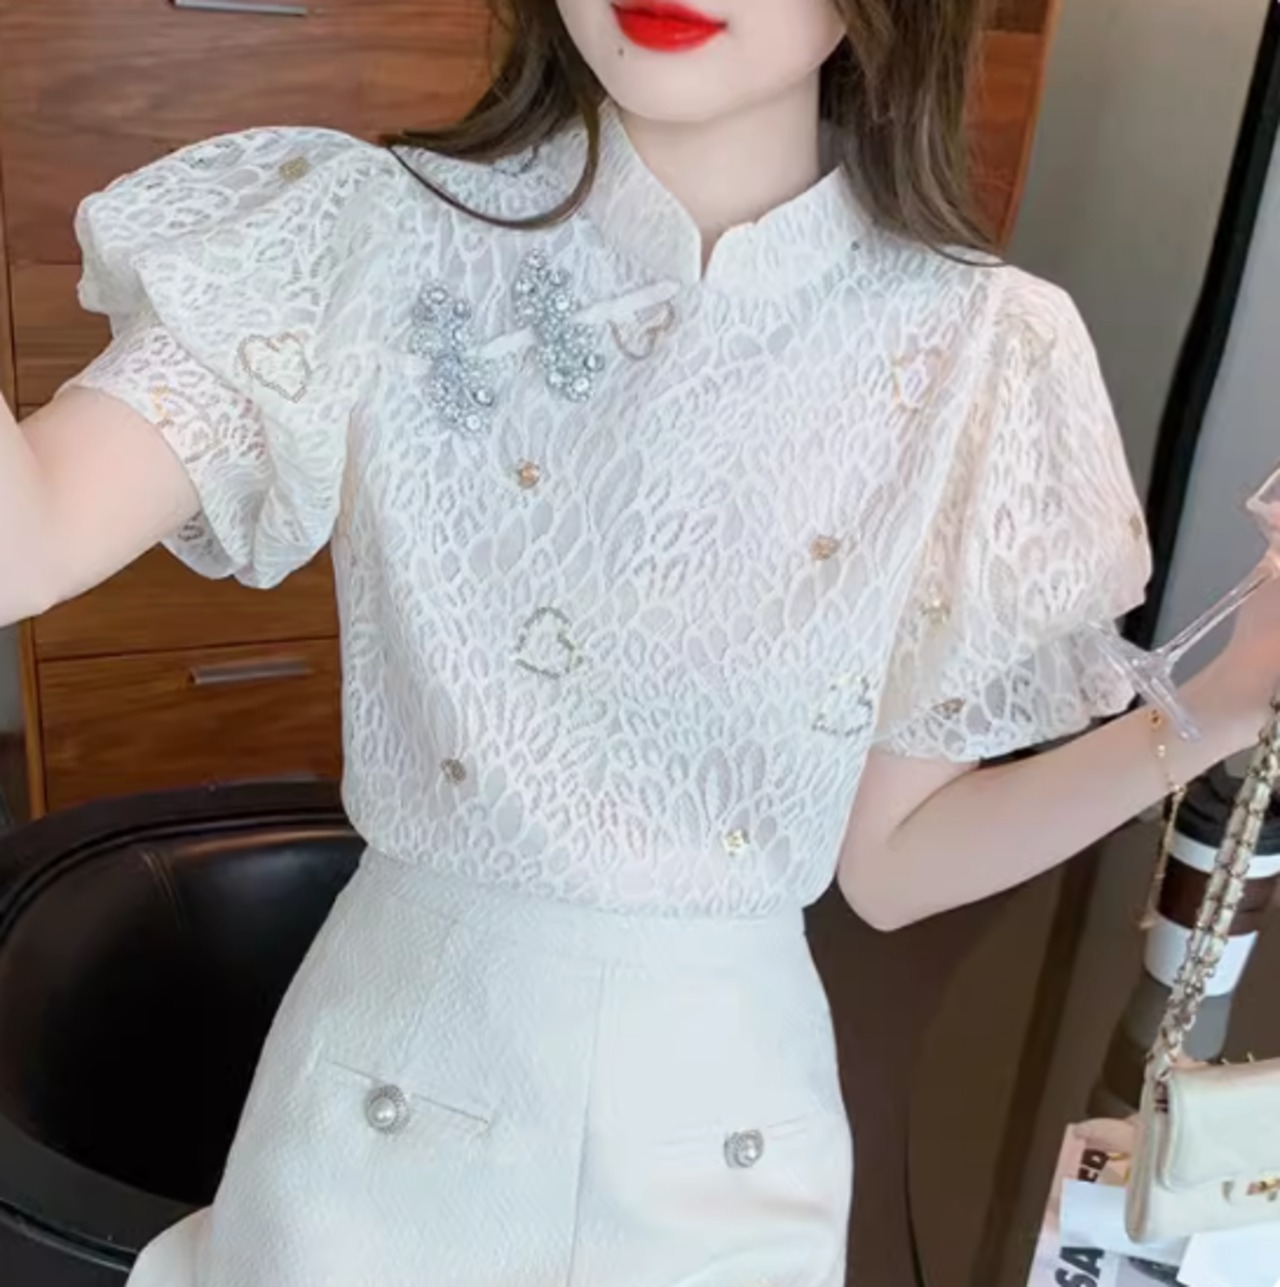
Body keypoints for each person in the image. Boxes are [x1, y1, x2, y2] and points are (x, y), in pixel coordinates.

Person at [2, 0, 1278, 1283]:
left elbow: (894, 863)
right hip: (384, 1120)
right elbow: (30, 537)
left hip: (729, 1151)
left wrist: (1227, 698)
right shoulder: (367, 237)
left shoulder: (980, 350)